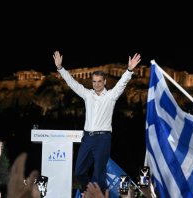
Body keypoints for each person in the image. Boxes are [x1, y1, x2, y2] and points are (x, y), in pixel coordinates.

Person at [52, 51, 141, 193]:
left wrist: (129, 70)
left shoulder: (111, 96)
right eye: (94, 81)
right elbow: (72, 83)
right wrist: (60, 68)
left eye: (100, 81)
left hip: (103, 139)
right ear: (91, 82)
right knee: (79, 171)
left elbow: (122, 84)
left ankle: (98, 195)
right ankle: (89, 192)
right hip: (87, 138)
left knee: (99, 173)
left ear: (104, 82)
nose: (97, 84)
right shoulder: (87, 94)